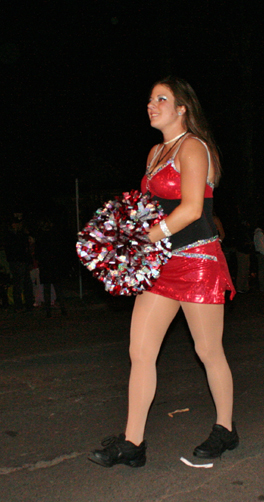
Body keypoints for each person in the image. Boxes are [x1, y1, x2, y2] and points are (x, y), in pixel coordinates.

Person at [89, 77, 237, 468]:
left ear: (182, 108)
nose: (152, 105)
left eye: (161, 99)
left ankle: (226, 428)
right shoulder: (156, 151)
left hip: (196, 261)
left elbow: (190, 209)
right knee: (140, 351)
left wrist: (144, 239)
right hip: (161, 264)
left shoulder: (193, 147)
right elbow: (148, 206)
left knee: (208, 351)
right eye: (150, 98)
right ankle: (132, 443)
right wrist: (121, 232)